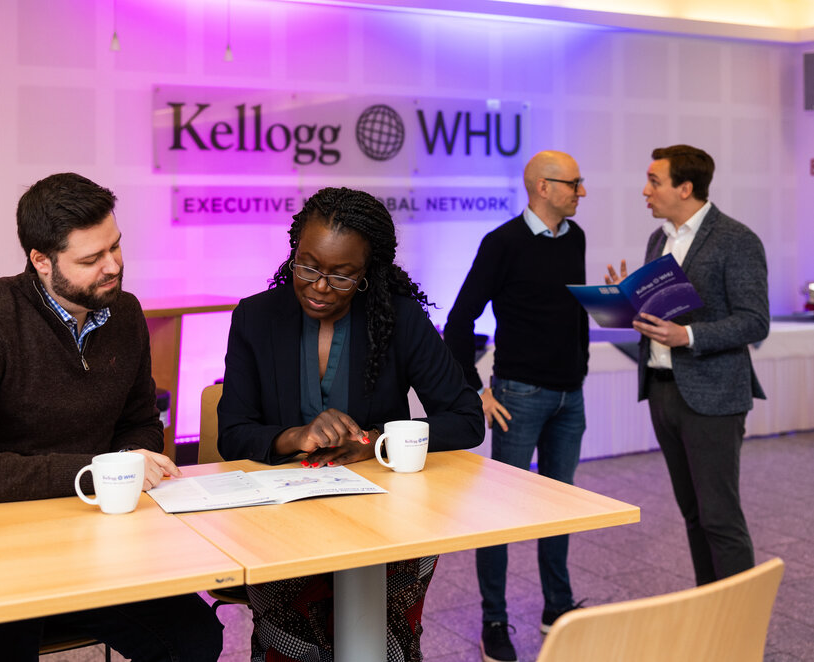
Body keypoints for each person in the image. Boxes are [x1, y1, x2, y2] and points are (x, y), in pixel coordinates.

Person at [0, 172, 222, 662]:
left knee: (195, 637)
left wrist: (126, 463)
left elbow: (140, 424)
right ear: (40, 260)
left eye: (116, 246)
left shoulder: (124, 314)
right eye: (91, 259)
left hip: (98, 542)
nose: (114, 266)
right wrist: (94, 471)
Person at [217, 186, 484, 661]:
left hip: (385, 521)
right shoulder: (256, 317)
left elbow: (466, 420)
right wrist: (293, 436)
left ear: (368, 274)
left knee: (380, 645)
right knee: (293, 647)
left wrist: (379, 443)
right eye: (309, 266)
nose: (320, 287)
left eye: (342, 276)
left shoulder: (398, 319)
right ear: (294, 253)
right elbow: (232, 434)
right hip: (279, 520)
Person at [443, 151, 589, 662]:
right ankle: (494, 620)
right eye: (574, 184)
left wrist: (582, 370)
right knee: (501, 513)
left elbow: (572, 314)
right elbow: (458, 321)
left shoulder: (576, 238)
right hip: (518, 396)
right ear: (543, 187)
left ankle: (558, 608)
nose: (582, 192)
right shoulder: (501, 243)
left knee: (560, 507)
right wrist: (475, 391)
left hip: (571, 395)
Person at [606, 145, 769, 586]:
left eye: (654, 181)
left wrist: (689, 336)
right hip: (662, 390)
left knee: (720, 517)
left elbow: (756, 322)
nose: (645, 190)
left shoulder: (737, 239)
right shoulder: (659, 239)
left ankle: (738, 629)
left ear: (685, 187)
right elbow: (661, 316)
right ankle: (709, 611)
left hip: (714, 396)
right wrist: (626, 300)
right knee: (694, 515)